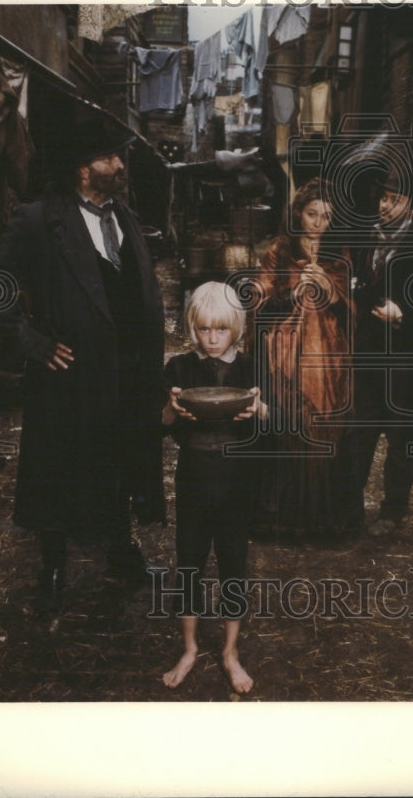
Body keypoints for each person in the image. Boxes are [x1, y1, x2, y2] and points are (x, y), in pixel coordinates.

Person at [0, 111, 166, 615]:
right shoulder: (41, 217)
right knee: (60, 469)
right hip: (70, 375)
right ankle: (54, 567)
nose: (119, 164)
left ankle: (121, 550)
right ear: (83, 169)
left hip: (128, 371)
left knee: (121, 458)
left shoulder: (124, 215)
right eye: (109, 157)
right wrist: (28, 339)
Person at [161, 282, 264, 694]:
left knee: (233, 562)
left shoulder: (251, 368)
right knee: (189, 560)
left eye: (221, 329)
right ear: (193, 328)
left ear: (236, 327)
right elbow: (161, 424)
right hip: (193, 474)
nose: (213, 338)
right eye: (204, 330)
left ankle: (229, 652)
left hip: (238, 476)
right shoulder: (179, 369)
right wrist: (172, 407)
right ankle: (188, 649)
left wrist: (261, 408)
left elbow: (274, 421)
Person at [253, 177, 355, 538]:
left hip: (326, 354)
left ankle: (318, 518)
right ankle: (282, 517)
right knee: (288, 425)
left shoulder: (339, 255)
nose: (318, 223)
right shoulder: (279, 252)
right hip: (284, 354)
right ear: (299, 213)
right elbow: (260, 309)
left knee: (321, 425)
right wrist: (293, 291)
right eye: (312, 214)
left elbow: (350, 314)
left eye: (326, 216)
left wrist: (331, 292)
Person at [349, 172, 413, 536]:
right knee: (359, 431)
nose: (384, 205)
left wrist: (404, 316)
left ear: (410, 207)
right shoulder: (368, 237)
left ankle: (392, 511)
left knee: (400, 439)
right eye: (382, 198)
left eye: (393, 200)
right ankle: (348, 506)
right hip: (368, 353)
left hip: (404, 357)